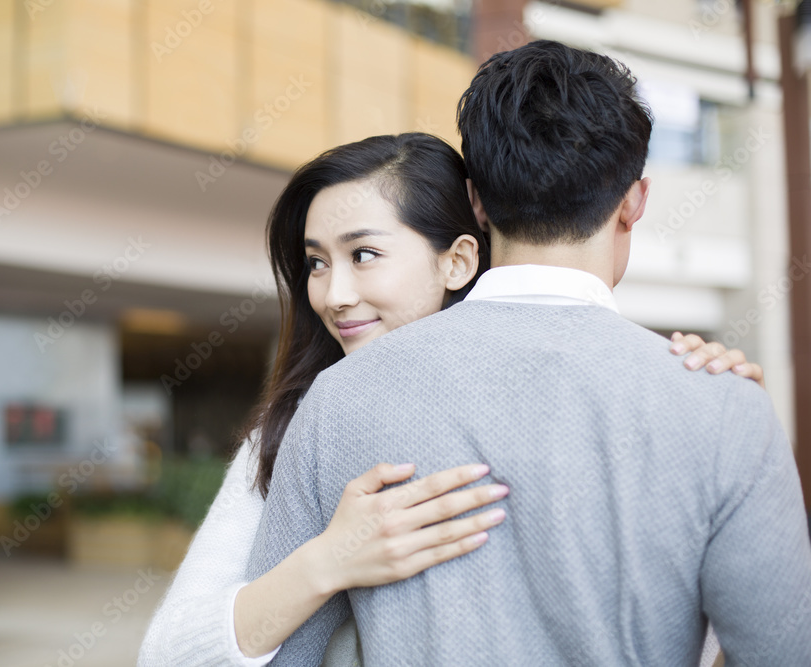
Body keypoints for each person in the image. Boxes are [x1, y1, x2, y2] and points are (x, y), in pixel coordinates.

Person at [245, 41, 811, 666]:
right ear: (634, 200)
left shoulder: (340, 399)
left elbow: (275, 654)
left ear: (478, 201)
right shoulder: (723, 407)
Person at [138, 131, 763, 666]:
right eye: (316, 263)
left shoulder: (573, 401)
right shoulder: (300, 426)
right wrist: (326, 562)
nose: (332, 294)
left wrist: (704, 398)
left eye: (363, 254)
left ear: (458, 261)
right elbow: (167, 655)